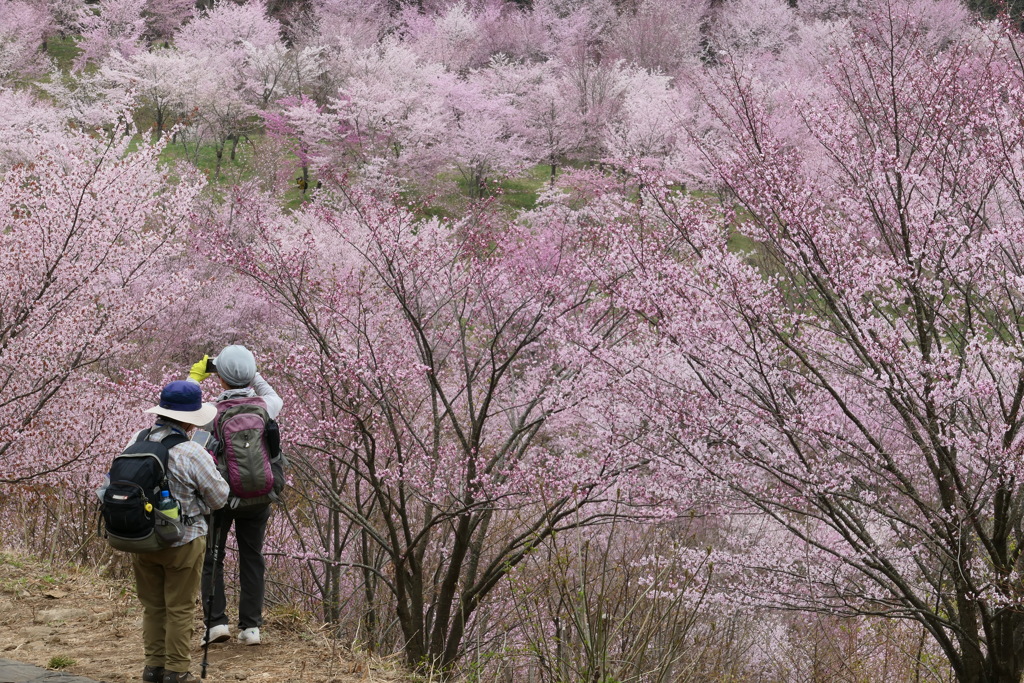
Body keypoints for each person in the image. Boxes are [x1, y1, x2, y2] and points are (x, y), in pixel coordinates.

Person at [129, 381, 230, 683]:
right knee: (180, 607)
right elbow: (219, 497)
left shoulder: (136, 440)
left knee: (153, 606)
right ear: (189, 419)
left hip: (142, 539)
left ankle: (152, 667)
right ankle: (175, 671)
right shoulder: (191, 451)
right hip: (183, 540)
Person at [188, 344, 284, 647]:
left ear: (221, 379)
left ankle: (216, 624)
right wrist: (249, 371)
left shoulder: (210, 413)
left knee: (212, 558)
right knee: (252, 557)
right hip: (258, 496)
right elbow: (270, 392)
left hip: (220, 496)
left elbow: (182, 406)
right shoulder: (267, 405)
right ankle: (251, 628)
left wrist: (196, 376)